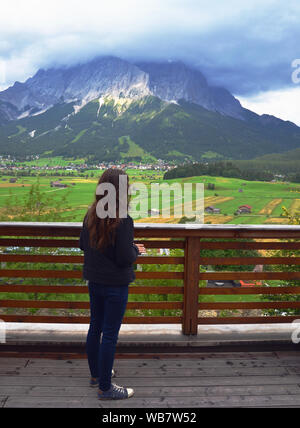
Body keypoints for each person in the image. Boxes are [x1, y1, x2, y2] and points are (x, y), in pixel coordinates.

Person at [79, 168, 146, 400]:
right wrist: (136, 249)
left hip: (94, 280)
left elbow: (82, 244)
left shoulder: (91, 214)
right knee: (109, 335)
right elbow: (124, 258)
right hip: (115, 285)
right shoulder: (123, 219)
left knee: (95, 327)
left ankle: (97, 375)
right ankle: (106, 388)